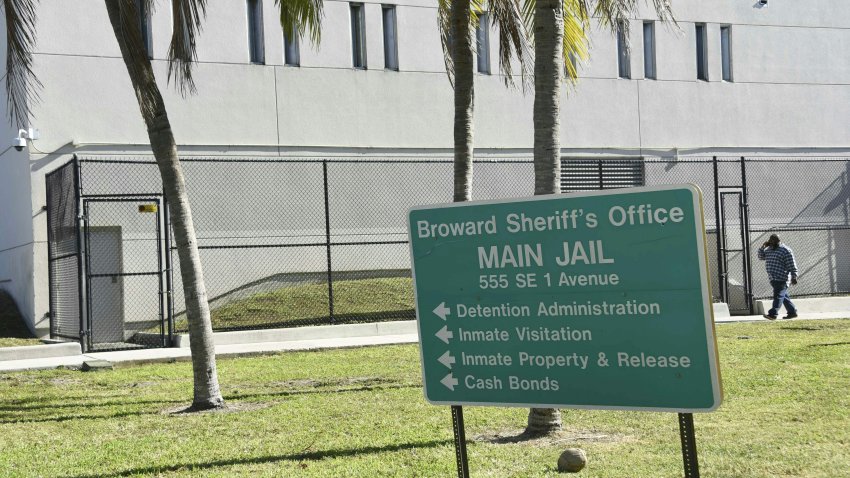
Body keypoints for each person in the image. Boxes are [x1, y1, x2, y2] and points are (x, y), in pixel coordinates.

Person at [757, 234, 799, 320]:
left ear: (778, 240)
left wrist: (794, 276)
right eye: (771, 240)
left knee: (778, 296)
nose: (772, 242)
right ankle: (792, 312)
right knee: (783, 296)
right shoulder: (768, 250)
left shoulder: (785, 250)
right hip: (772, 277)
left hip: (782, 278)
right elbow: (761, 257)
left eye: (774, 240)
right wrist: (762, 247)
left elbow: (791, 264)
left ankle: (773, 314)